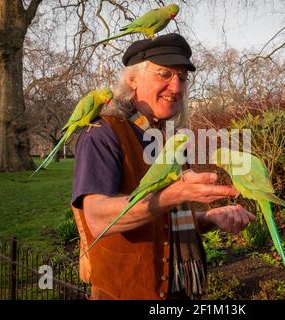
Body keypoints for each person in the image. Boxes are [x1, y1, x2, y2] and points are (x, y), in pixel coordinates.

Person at [71, 33, 256, 300]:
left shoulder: (171, 138)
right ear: (132, 79)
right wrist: (175, 194)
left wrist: (209, 219)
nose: (176, 87)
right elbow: (98, 219)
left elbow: (167, 221)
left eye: (182, 77)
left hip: (180, 292)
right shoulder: (102, 133)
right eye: (165, 74)